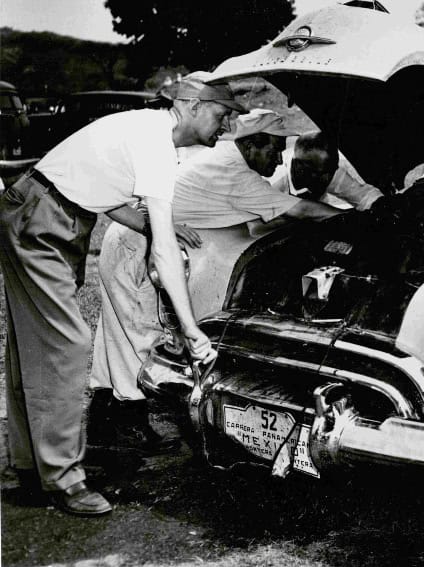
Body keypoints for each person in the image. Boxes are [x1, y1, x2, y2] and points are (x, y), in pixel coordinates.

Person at [0, 71, 242, 516]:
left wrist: (152, 226)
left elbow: (107, 195)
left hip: (49, 212)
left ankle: (32, 467)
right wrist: (191, 330)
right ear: (192, 106)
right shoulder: (156, 144)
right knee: (67, 347)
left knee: (34, 346)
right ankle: (64, 480)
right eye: (223, 114)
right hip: (43, 218)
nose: (227, 126)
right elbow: (165, 253)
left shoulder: (147, 129)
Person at [88, 109, 346, 455]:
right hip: (138, 242)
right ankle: (128, 424)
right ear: (251, 145)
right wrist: (357, 221)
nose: (279, 160)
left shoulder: (225, 158)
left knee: (115, 336)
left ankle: (101, 423)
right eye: (273, 150)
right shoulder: (233, 171)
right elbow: (298, 210)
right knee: (138, 333)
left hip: (133, 236)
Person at [268, 130, 384, 212]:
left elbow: (363, 196)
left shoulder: (326, 169)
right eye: (321, 173)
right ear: (298, 167)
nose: (328, 179)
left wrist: (382, 205)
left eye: (332, 170)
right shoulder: (272, 184)